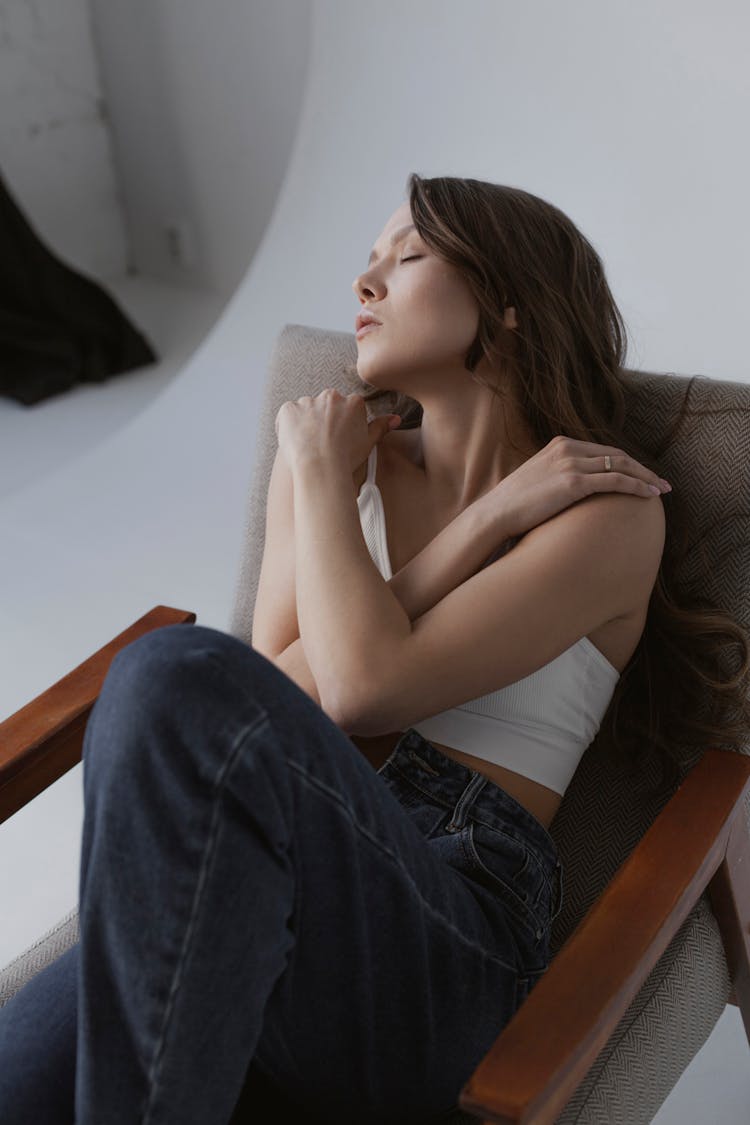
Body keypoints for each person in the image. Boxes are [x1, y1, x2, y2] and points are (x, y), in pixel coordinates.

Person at [0, 173, 689, 1125]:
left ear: (513, 303)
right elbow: (268, 707)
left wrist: (335, 485)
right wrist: (451, 517)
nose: (365, 283)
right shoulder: (335, 473)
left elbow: (360, 691)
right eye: (366, 262)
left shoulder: (604, 509)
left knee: (167, 674)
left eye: (406, 256)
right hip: (263, 874)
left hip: (445, 941)